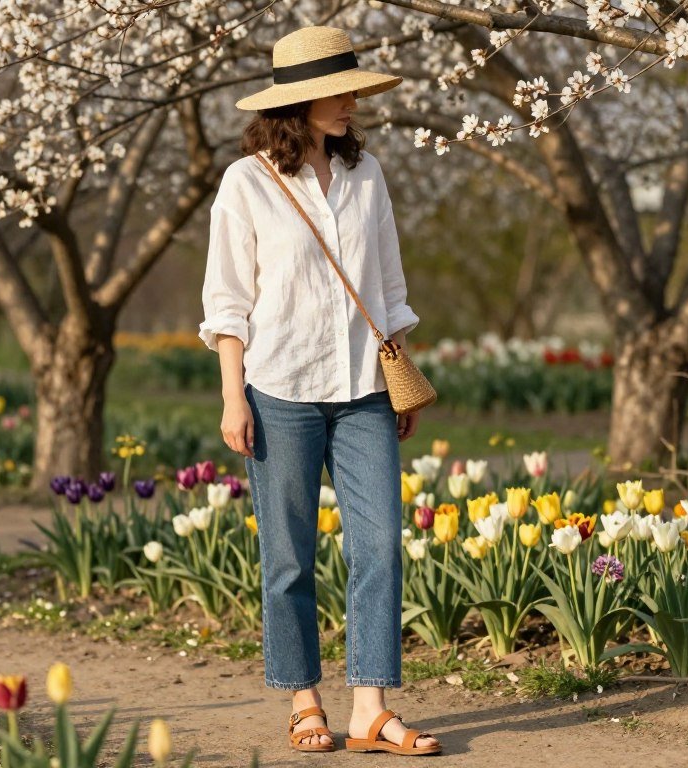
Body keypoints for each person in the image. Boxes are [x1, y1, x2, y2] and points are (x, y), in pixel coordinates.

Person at [198, 25, 441, 757]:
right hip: (279, 389)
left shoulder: (368, 176)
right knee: (289, 555)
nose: (352, 104)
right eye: (340, 92)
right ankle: (304, 699)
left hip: (365, 387)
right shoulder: (246, 184)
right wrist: (232, 397)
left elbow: (389, 287)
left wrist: (400, 375)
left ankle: (370, 708)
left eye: (353, 91)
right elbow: (227, 301)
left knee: (380, 547)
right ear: (298, 104)